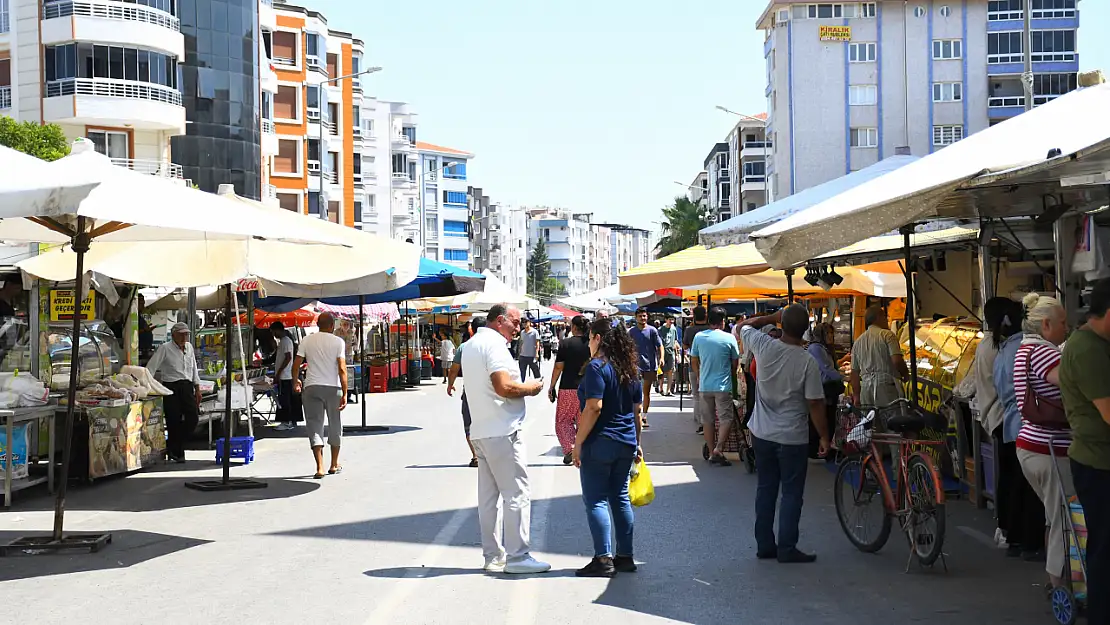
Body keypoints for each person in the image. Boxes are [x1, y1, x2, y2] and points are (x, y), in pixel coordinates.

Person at [462, 303, 550, 574]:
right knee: (516, 494)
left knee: (489, 499)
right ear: (500, 320)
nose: (518, 327)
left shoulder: (472, 344)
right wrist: (532, 388)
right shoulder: (496, 346)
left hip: (482, 430)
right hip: (503, 430)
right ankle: (517, 556)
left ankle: (492, 555)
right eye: (515, 321)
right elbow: (504, 386)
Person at [740, 306, 828, 563]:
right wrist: (824, 436)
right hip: (793, 436)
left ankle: (765, 544)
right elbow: (815, 403)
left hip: (763, 433)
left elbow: (741, 326)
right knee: (791, 493)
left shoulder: (764, 346)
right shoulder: (807, 361)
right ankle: (787, 547)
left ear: (782, 324)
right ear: (804, 331)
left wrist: (769, 318)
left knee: (766, 488)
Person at [574, 316, 643, 577]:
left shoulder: (596, 367)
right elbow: (637, 411)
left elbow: (594, 406)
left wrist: (578, 443)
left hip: (601, 440)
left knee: (596, 500)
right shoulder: (630, 368)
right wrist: (638, 443)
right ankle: (625, 556)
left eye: (589, 338)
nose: (588, 343)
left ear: (598, 338)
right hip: (626, 441)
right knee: (620, 498)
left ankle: (603, 559)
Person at [1013, 293, 1072, 586]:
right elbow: (1072, 383)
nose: (1067, 328)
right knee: (1065, 517)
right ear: (1046, 324)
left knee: (1054, 515)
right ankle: (1059, 584)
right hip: (1050, 448)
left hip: (1029, 446)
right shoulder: (1046, 353)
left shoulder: (1024, 349)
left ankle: (1057, 578)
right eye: (1062, 323)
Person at [1060, 279, 1110, 625]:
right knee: (1105, 547)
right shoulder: (1088, 349)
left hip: (1097, 458)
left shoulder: (1096, 344)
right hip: (1098, 462)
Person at [989, 298, 1047, 560]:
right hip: (1027, 425)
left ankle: (1015, 538)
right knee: (1029, 489)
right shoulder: (1026, 347)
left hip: (1009, 423)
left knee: (1015, 483)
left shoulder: (1003, 350)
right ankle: (1030, 542)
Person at [292, 312, 348, 479]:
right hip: (332, 388)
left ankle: (319, 467)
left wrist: (296, 381)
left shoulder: (307, 340)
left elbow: (296, 365)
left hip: (311, 387)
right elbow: (342, 369)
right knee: (335, 424)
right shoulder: (338, 342)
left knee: (314, 425)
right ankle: (333, 464)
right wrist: (345, 392)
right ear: (332, 326)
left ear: (318, 324)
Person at [690, 307, 741, 466]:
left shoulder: (699, 337)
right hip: (723, 386)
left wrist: (699, 375)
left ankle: (712, 452)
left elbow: (693, 360)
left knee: (707, 420)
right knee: (726, 418)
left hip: (705, 385)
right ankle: (719, 448)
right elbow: (735, 363)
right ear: (723, 321)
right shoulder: (729, 338)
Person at [146, 322, 202, 463]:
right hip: (171, 387)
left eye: (186, 334)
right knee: (173, 420)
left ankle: (172, 445)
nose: (184, 337)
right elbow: (151, 368)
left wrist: (197, 388)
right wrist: (148, 385)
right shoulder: (165, 348)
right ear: (174, 335)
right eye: (181, 334)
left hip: (187, 386)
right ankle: (177, 452)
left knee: (192, 419)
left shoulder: (189, 347)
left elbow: (193, 368)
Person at [549, 315, 592, 465]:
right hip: (588, 389)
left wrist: (552, 385)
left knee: (563, 420)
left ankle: (570, 448)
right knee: (583, 420)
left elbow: (558, 367)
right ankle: (583, 449)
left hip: (568, 387)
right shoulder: (591, 344)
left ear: (573, 327)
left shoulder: (566, 344)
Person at [850, 305, 909, 407]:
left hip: (865, 389)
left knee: (871, 421)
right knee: (890, 420)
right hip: (886, 387)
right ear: (879, 317)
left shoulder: (858, 342)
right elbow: (897, 361)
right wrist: (906, 375)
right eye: (885, 317)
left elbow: (854, 373)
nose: (887, 321)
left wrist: (856, 396)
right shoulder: (887, 335)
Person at [447, 317, 486, 468]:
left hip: (469, 392)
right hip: (489, 393)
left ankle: (476, 456)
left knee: (469, 425)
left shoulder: (464, 347)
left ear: (471, 329)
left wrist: (450, 384)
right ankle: (487, 455)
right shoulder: (493, 346)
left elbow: (454, 369)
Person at [805, 322, 843, 460]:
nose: (831, 336)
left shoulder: (825, 348)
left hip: (829, 388)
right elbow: (826, 368)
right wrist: (843, 377)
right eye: (828, 333)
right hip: (822, 388)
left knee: (830, 417)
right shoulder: (816, 348)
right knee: (822, 417)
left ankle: (823, 448)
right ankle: (815, 448)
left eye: (832, 333)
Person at [629, 309, 663, 427]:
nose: (642, 318)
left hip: (650, 365)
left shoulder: (652, 330)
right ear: (636, 317)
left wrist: (661, 358)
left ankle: (644, 416)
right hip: (635, 366)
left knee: (646, 391)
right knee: (634, 391)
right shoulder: (631, 332)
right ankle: (635, 415)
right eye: (640, 316)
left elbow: (660, 346)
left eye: (644, 316)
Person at [683, 306, 711, 432]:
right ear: (705, 315)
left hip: (693, 366)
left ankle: (699, 419)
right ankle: (705, 421)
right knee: (707, 396)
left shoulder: (689, 330)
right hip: (709, 365)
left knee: (696, 395)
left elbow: (684, 345)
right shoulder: (710, 329)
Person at [271, 321, 300, 432]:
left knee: (285, 399)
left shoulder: (286, 341)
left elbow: (288, 358)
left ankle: (286, 421)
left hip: (285, 376)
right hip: (284, 375)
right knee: (285, 399)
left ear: (278, 330)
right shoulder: (283, 341)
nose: (273, 334)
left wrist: (278, 373)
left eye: (273, 332)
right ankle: (288, 420)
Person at [658, 316, 678, 397]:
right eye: (670, 319)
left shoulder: (674, 329)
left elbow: (675, 341)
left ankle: (668, 390)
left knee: (670, 371)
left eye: (673, 319)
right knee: (661, 371)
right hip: (662, 352)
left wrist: (677, 353)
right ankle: (661, 388)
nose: (671, 321)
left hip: (671, 352)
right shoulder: (660, 329)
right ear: (666, 320)